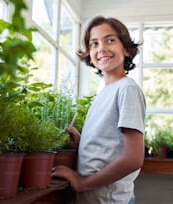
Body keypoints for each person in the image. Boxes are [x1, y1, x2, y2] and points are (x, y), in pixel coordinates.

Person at [52, 15, 146, 204]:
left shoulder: (127, 89)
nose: (101, 48)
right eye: (94, 43)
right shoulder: (103, 93)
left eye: (110, 40)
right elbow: (110, 146)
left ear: (126, 50)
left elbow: (133, 158)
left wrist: (82, 183)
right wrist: (81, 142)